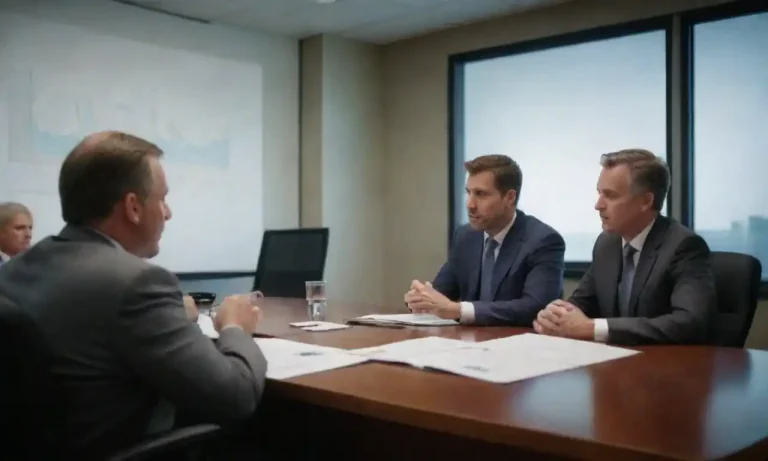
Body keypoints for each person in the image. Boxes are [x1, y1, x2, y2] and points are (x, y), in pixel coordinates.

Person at [0, 131, 267, 458]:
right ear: (133, 207)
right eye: (163, 199)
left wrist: (167, 315)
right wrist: (235, 327)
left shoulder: (16, 270)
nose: (167, 213)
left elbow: (88, 325)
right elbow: (237, 397)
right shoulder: (137, 284)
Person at [534, 149, 716, 345]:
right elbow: (583, 302)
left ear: (646, 201)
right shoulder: (606, 243)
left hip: (665, 366)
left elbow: (689, 322)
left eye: (610, 196)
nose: (598, 205)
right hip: (613, 364)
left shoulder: (683, 246)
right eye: (599, 193)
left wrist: (592, 328)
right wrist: (556, 316)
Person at [405, 154, 565, 326]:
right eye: (469, 193)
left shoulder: (543, 240)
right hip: (469, 343)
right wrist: (421, 298)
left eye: (481, 194)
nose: (470, 204)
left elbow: (536, 307)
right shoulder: (465, 236)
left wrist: (458, 310)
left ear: (510, 197)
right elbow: (442, 294)